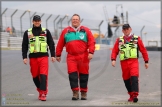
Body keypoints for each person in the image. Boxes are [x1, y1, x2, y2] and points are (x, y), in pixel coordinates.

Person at [56, 14, 95, 100]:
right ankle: (75, 92)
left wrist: (91, 52)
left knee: (84, 75)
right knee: (72, 75)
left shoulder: (86, 30)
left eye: (76, 19)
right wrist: (58, 54)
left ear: (79, 21)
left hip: (83, 56)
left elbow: (92, 42)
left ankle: (84, 92)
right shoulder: (66, 31)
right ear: (71, 21)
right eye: (73, 19)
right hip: (71, 57)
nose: (75, 20)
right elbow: (60, 43)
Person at [111, 24, 149, 103]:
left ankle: (135, 95)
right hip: (123, 63)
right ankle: (131, 94)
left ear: (130, 29)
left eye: (127, 29)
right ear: (122, 31)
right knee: (126, 79)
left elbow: (143, 50)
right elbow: (114, 51)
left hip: (133, 61)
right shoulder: (119, 40)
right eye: (124, 29)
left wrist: (146, 61)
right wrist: (113, 59)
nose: (126, 30)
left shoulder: (137, 39)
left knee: (134, 76)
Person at [22, 15, 55, 101]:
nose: (37, 22)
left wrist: (53, 55)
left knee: (43, 75)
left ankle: (43, 93)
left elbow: (51, 44)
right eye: (35, 20)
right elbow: (24, 45)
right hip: (33, 58)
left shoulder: (46, 31)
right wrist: (24, 57)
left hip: (43, 56)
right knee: (35, 76)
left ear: (41, 21)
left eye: (38, 20)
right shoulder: (28, 32)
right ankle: (40, 90)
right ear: (32, 22)